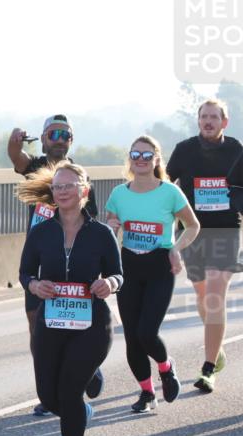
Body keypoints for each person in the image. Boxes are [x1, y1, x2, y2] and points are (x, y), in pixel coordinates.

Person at [19, 163, 122, 436]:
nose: (62, 191)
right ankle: (79, 413)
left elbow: (119, 274)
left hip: (91, 325)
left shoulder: (101, 234)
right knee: (50, 398)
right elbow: (24, 273)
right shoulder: (41, 232)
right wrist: (35, 286)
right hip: (51, 323)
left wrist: (111, 284)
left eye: (69, 185)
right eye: (58, 186)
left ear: (84, 191)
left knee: (69, 389)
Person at [8, 115, 103, 416]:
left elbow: (93, 222)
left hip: (71, 262)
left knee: (72, 323)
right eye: (53, 133)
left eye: (65, 134)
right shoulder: (36, 168)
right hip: (39, 261)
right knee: (38, 327)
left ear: (71, 141)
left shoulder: (79, 174)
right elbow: (15, 156)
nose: (59, 139)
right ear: (44, 138)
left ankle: (86, 368)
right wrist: (14, 138)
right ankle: (47, 390)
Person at [103, 136, 199, 412]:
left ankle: (166, 369)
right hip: (129, 266)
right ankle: (146, 393)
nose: (141, 159)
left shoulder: (169, 192)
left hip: (160, 265)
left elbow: (192, 226)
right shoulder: (119, 194)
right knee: (132, 337)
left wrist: (176, 249)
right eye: (136, 154)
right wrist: (112, 226)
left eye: (147, 155)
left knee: (147, 332)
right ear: (130, 159)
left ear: (157, 159)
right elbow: (110, 229)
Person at [166, 98, 243, 393]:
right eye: (203, 117)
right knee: (201, 296)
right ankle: (217, 350)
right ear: (198, 121)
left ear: (225, 122)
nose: (208, 121)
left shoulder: (237, 150)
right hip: (193, 232)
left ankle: (208, 367)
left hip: (226, 231)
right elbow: (165, 185)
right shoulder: (185, 150)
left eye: (214, 117)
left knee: (214, 296)